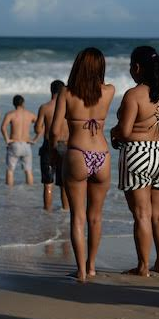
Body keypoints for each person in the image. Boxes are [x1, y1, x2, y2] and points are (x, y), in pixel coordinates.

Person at [111, 46, 159, 277]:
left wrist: (114, 132)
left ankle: (142, 267)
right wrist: (157, 129)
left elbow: (124, 131)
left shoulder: (134, 95)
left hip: (138, 153)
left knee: (142, 214)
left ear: (138, 67)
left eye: (131, 66)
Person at [50, 47, 115, 283]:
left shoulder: (66, 93)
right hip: (102, 155)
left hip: (77, 153)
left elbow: (55, 131)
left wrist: (52, 152)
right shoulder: (109, 91)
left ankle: (80, 271)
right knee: (95, 217)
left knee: (77, 217)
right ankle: (92, 266)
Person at [35, 80, 69, 211]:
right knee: (64, 183)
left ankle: (47, 213)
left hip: (49, 146)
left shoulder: (45, 107)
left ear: (51, 90)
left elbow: (38, 129)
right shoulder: (69, 107)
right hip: (66, 147)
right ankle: (65, 211)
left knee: (48, 182)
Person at [1, 95, 39, 185]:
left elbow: (3, 127)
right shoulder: (30, 114)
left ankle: (9, 193)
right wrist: (35, 139)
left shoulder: (11, 114)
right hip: (26, 145)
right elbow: (41, 126)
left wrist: (7, 139)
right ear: (23, 103)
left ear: (13, 103)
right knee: (28, 171)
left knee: (10, 170)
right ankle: (30, 192)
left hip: (15, 143)